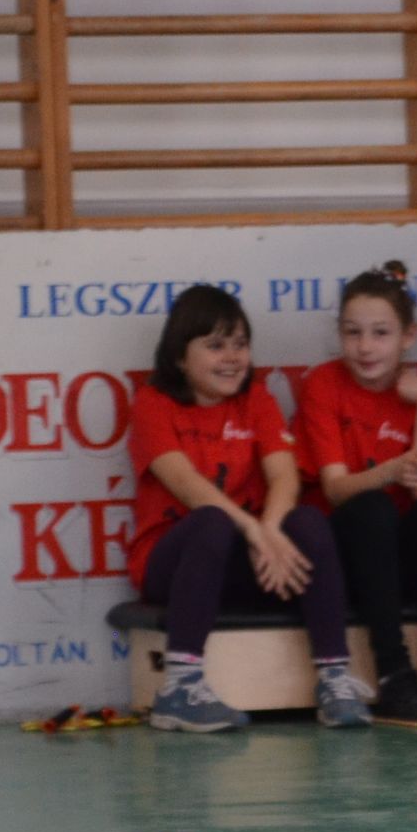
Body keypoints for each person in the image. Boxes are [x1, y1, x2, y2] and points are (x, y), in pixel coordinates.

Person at [125, 285, 368, 734]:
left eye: (240, 344)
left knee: (308, 521)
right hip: (170, 564)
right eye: (216, 345)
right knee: (212, 522)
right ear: (180, 356)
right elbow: (187, 485)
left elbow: (285, 477)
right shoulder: (152, 404)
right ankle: (179, 689)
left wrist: (270, 530)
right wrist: (255, 532)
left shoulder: (256, 400)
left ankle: (334, 680)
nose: (232, 357)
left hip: (249, 559)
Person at [297, 261, 417, 723]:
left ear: (408, 336)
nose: (365, 347)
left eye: (380, 333)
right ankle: (393, 673)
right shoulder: (323, 384)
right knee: (372, 506)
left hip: (398, 556)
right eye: (353, 333)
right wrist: (390, 471)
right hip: (348, 551)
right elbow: (335, 489)